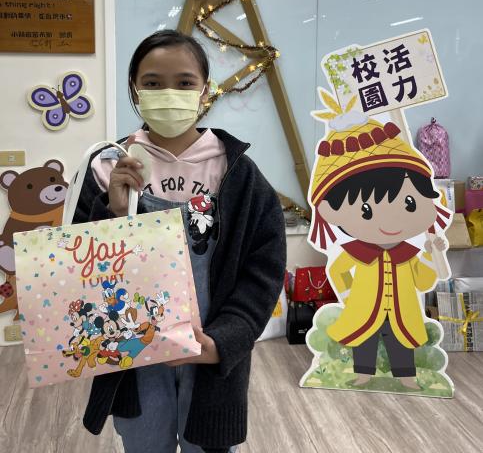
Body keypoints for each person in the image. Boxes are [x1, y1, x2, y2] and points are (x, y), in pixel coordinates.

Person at [72, 30, 286, 453]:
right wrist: (111, 212)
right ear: (135, 88)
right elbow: (76, 267)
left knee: (207, 443)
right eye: (153, 83)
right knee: (143, 443)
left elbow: (264, 270)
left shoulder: (237, 173)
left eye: (184, 82)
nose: (169, 93)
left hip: (210, 354)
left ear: (205, 90)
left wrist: (224, 340)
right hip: (131, 355)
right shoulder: (105, 167)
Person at [308, 102, 450, 390]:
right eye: (366, 210)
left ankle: (406, 376)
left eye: (409, 203)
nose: (388, 222)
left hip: (402, 310)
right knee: (365, 340)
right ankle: (363, 374)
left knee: (400, 341)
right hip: (364, 309)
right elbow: (337, 271)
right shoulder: (356, 252)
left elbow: (424, 281)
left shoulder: (408, 254)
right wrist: (350, 295)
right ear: (331, 211)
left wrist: (431, 255)